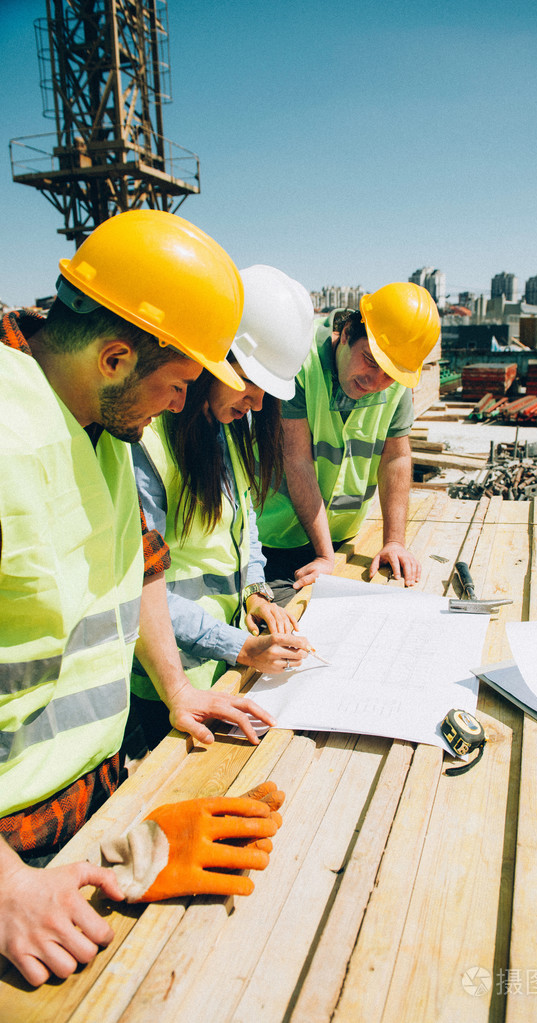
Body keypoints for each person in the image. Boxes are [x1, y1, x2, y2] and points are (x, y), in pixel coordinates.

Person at [0, 210, 279, 987]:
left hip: (84, 806)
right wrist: (7, 886)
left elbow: (143, 569)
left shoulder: (96, 423)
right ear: (116, 356)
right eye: (178, 383)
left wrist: (178, 688)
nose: (181, 405)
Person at [128, 264, 316, 753]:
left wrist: (255, 593)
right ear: (213, 359)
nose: (257, 402)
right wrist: (240, 646)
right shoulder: (147, 443)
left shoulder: (224, 425)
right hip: (166, 681)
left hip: (220, 667)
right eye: (249, 382)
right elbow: (141, 587)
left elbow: (244, 525)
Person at [255, 282, 441, 605]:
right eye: (370, 361)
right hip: (275, 540)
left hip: (342, 539)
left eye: (390, 374)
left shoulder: (395, 382)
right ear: (347, 333)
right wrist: (324, 555)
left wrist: (394, 542)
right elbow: (296, 459)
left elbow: (396, 457)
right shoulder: (301, 361)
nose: (376, 382)